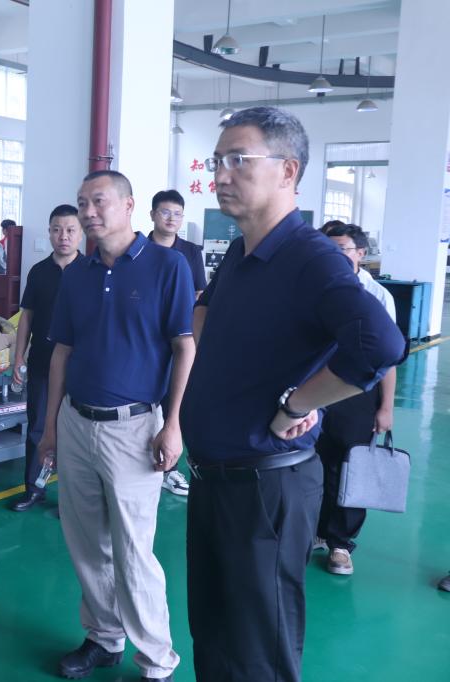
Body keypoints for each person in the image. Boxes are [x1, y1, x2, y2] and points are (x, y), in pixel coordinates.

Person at [180, 107, 405, 682]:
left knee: (258, 649)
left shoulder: (311, 257)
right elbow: (207, 313)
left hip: (265, 487)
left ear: (287, 170)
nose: (221, 174)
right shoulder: (242, 251)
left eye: (239, 160)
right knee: (214, 633)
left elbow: (379, 344)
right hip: (214, 477)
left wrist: (297, 404)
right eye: (217, 160)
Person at [38, 171, 195, 682]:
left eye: (99, 201)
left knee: (133, 551)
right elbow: (61, 352)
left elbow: (184, 347)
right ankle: (104, 638)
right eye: (82, 202)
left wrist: (173, 424)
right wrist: (50, 428)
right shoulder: (77, 275)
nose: (88, 212)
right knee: (86, 544)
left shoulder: (168, 266)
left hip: (134, 428)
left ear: (128, 205)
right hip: (76, 423)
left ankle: (156, 660)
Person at [313, 220, 397, 576]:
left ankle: (340, 544)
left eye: (342, 249)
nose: (333, 256)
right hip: (313, 390)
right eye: (326, 249)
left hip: (356, 392)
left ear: (360, 253)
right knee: (312, 464)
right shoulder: (312, 288)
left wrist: (386, 407)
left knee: (351, 467)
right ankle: (315, 531)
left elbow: (388, 357)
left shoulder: (377, 296)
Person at [8, 204, 83, 512]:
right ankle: (33, 489)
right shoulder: (38, 272)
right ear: (49, 232)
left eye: (70, 230)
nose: (63, 236)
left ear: (80, 233)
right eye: (57, 230)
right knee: (38, 426)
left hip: (79, 366)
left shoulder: (91, 271)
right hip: (41, 361)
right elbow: (27, 317)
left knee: (76, 432)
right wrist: (18, 357)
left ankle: (72, 499)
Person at [147, 189, 206, 498]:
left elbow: (199, 295)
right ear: (152, 214)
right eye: (165, 212)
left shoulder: (190, 252)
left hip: (179, 337)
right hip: (146, 337)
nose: (171, 219)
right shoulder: (139, 249)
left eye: (177, 214)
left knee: (175, 401)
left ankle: (170, 468)